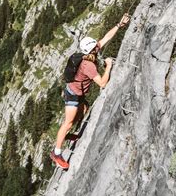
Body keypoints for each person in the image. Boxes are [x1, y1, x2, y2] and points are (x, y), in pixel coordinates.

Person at [50, 13, 131, 170]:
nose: (98, 47)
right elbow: (102, 83)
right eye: (96, 47)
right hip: (73, 95)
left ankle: (65, 136)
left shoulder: (87, 53)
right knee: (67, 123)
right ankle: (57, 153)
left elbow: (105, 38)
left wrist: (119, 25)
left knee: (84, 110)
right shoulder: (88, 65)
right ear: (91, 49)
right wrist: (108, 66)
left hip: (75, 92)